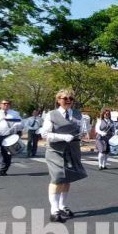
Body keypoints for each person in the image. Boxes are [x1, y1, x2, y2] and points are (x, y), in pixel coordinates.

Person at [40, 89, 89, 223]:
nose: (68, 100)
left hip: (72, 149)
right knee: (57, 178)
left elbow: (81, 130)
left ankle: (62, 206)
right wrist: (61, 136)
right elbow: (44, 134)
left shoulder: (78, 114)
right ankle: (54, 210)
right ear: (58, 100)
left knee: (67, 179)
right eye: (65, 98)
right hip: (56, 150)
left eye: (71, 99)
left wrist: (84, 133)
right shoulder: (51, 114)